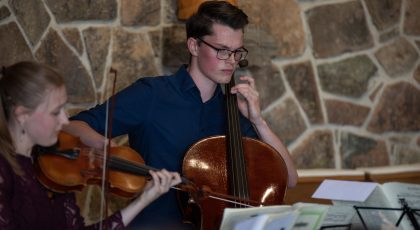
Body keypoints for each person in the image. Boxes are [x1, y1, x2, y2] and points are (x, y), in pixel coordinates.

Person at [64, 1, 298, 229]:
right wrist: (103, 144)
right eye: (222, 51)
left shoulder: (234, 107)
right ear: (194, 46)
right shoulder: (151, 94)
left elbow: (289, 178)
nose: (232, 62)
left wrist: (259, 121)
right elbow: (74, 125)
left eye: (237, 52)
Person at [0, 61, 182, 229]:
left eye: (64, 108)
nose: (65, 120)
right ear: (22, 115)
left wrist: (143, 200)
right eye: (56, 112)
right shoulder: (4, 171)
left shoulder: (56, 166)